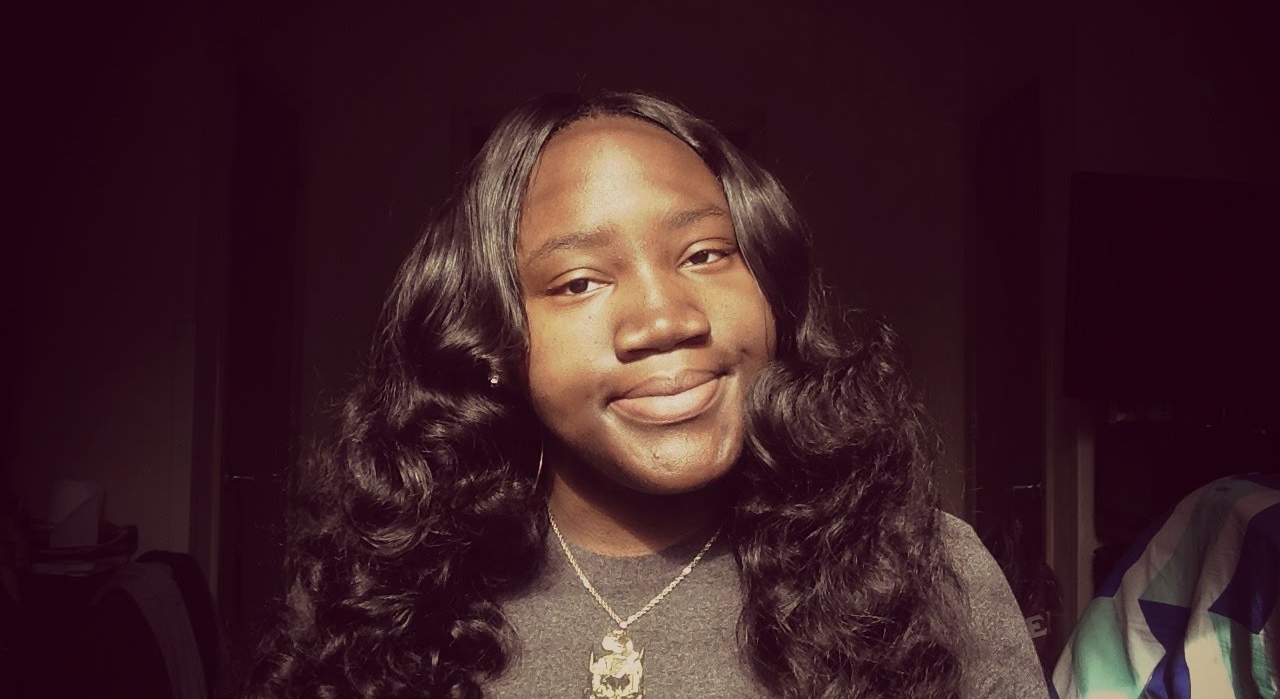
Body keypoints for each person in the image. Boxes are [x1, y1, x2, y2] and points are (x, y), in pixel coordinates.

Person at [247, 91, 1044, 698]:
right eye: (579, 281)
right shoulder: (378, 594)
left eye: (704, 255)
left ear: (771, 291)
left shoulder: (923, 572)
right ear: (491, 341)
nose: (665, 320)